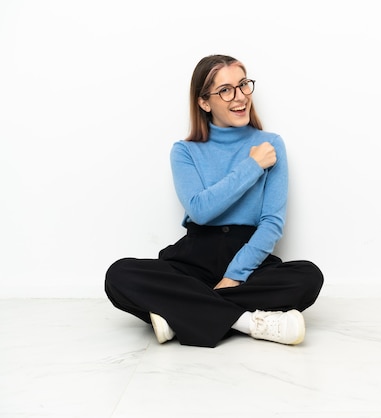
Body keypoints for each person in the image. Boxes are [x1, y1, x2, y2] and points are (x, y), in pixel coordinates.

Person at [105, 54, 324, 348]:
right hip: (195, 256)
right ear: (204, 102)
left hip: (249, 257)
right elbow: (200, 210)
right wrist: (252, 167)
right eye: (226, 90)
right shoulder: (184, 151)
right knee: (119, 275)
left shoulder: (271, 144)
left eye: (243, 85)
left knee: (308, 277)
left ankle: (179, 314)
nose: (240, 97)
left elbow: (272, 222)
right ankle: (249, 323)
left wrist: (235, 275)